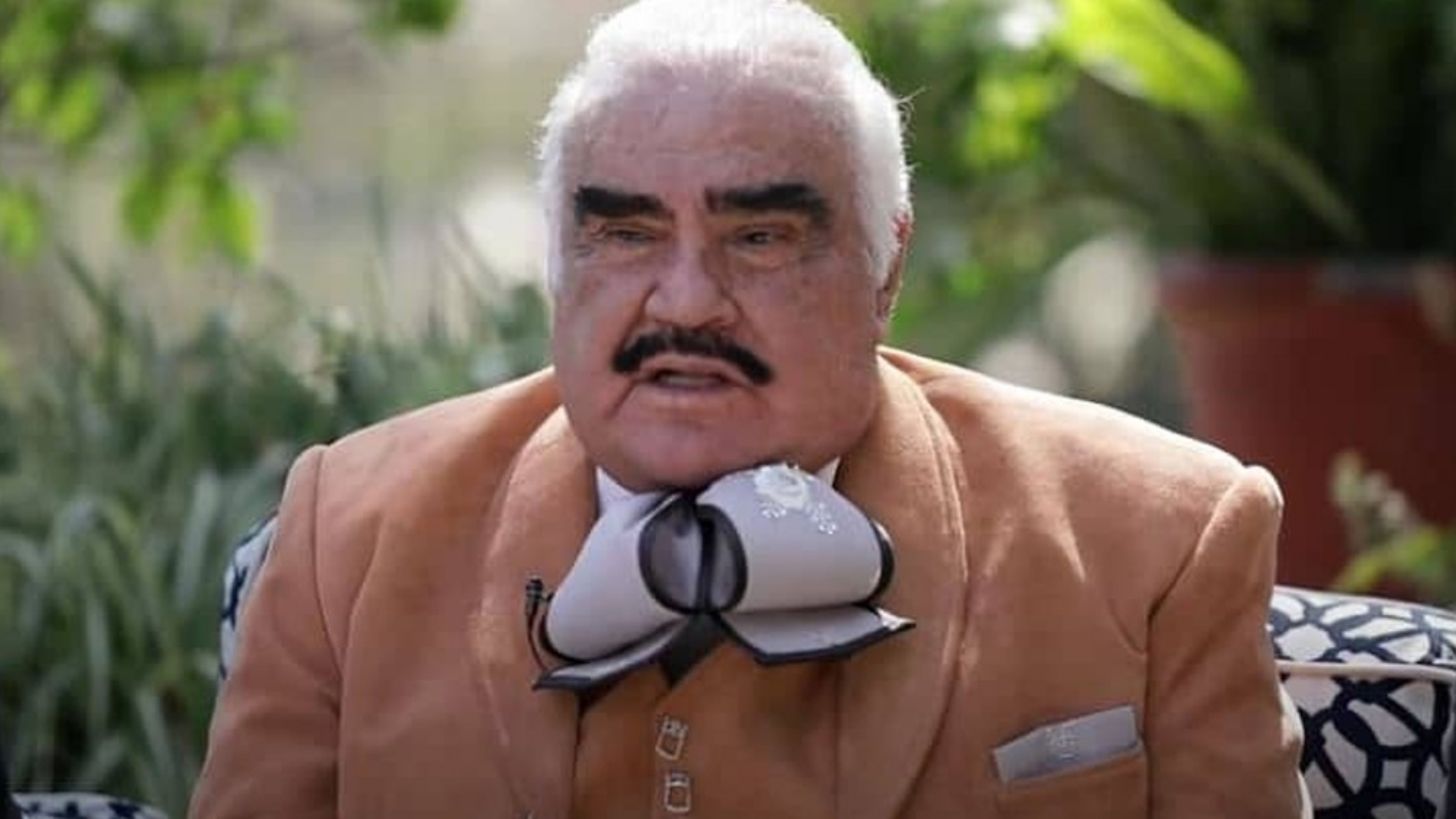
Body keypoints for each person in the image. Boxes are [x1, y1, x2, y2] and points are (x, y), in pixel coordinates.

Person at [189, 1, 1308, 816]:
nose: (685, 299)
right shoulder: (342, 532)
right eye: (625, 233)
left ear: (885, 266)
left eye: (760, 237)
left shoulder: (1162, 537)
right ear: (558, 265)